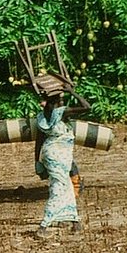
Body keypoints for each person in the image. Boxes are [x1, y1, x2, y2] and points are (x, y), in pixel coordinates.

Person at [35, 89, 91, 239]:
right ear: (57, 101)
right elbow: (87, 107)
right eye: (61, 98)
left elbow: (39, 141)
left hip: (50, 152)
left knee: (64, 184)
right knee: (59, 187)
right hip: (59, 154)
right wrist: (72, 91)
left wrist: (37, 162)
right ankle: (43, 226)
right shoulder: (61, 112)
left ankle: (75, 221)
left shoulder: (42, 116)